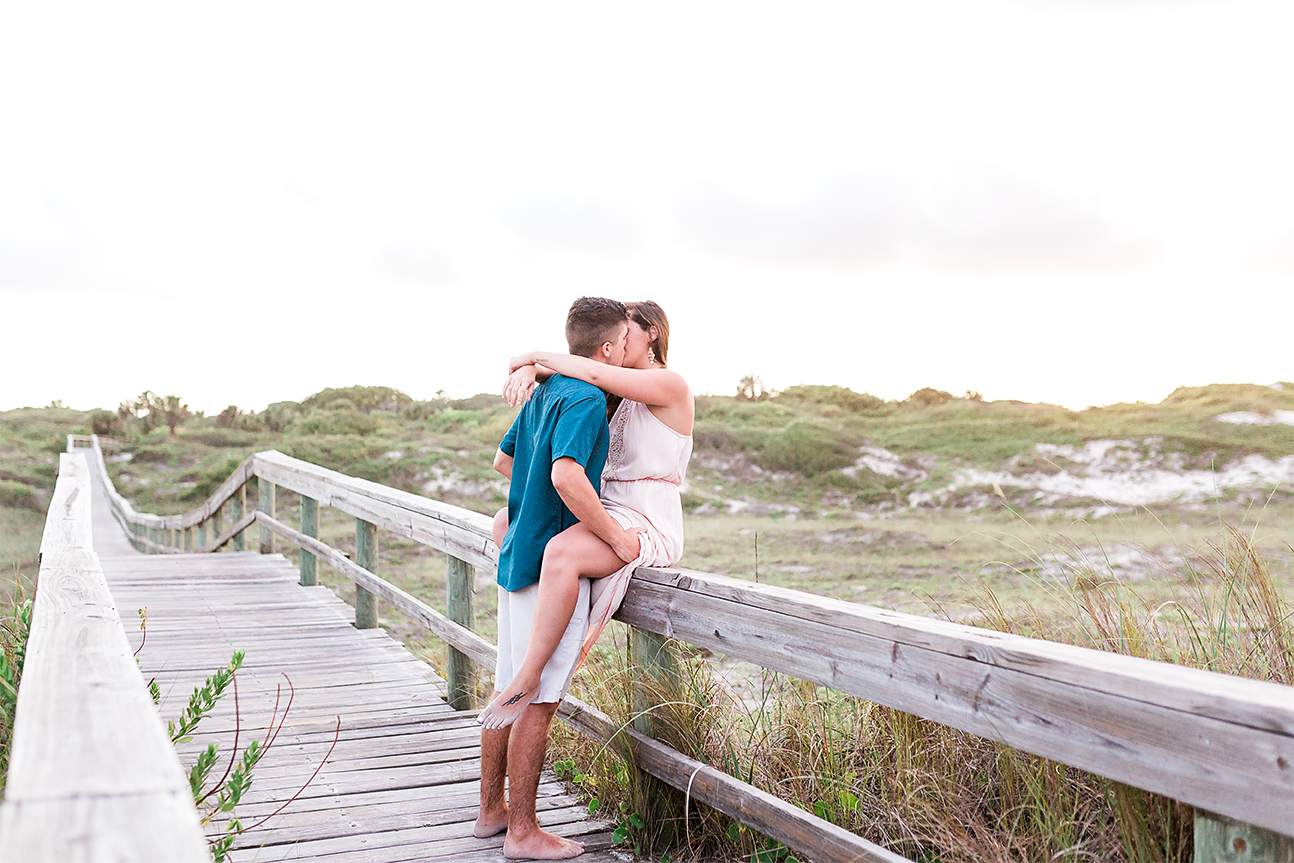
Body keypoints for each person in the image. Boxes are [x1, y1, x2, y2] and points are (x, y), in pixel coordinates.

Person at [474, 297, 644, 861]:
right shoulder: (588, 397)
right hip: (549, 563)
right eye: (622, 342)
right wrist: (612, 537)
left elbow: (505, 462)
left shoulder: (545, 391)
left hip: (516, 554)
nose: (624, 351)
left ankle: (491, 812)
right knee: (538, 699)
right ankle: (523, 831)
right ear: (606, 348)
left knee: (510, 684)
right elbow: (567, 474)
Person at [476, 300, 694, 733]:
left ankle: (529, 673)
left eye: (626, 332)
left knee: (560, 551)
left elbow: (591, 370)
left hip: (646, 518)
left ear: (650, 332)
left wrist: (530, 357)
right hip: (605, 508)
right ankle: (525, 636)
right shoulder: (613, 395)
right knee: (506, 521)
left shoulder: (669, 384)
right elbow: (576, 376)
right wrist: (527, 371)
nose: (616, 341)